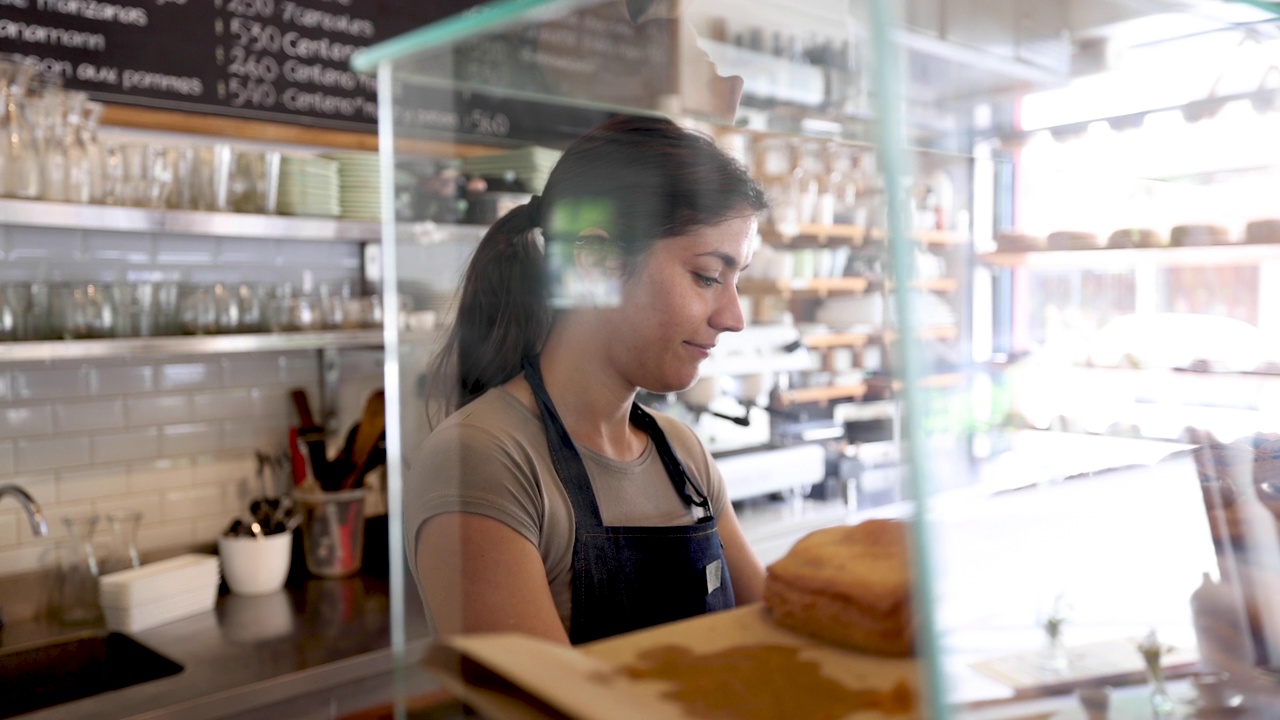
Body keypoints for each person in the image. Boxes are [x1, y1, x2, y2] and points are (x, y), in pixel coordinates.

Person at [406, 114, 769, 645]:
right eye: (708, 276)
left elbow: (775, 643)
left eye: (737, 281)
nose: (734, 316)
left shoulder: (684, 456)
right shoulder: (484, 461)